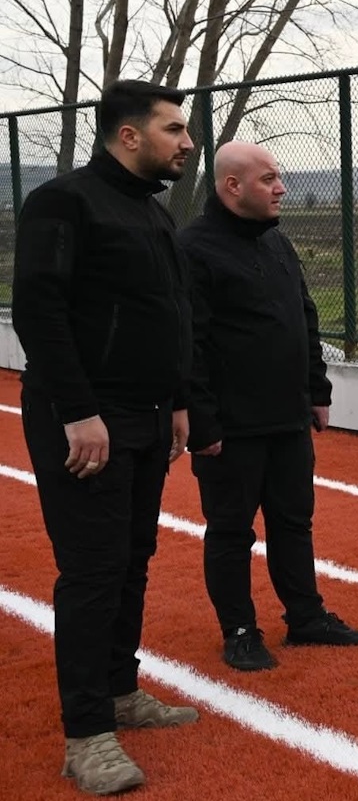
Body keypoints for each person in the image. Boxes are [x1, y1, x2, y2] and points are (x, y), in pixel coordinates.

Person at [13, 79, 201, 795]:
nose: (188, 142)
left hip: (149, 415)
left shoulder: (150, 212)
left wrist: (178, 400)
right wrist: (77, 409)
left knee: (132, 560)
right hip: (88, 418)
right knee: (92, 571)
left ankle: (121, 691)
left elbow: (169, 312)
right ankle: (87, 735)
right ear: (129, 136)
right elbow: (39, 308)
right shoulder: (64, 202)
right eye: (174, 129)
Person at [180, 141, 358, 672]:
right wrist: (203, 422)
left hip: (287, 417)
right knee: (231, 530)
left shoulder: (277, 244)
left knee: (294, 522)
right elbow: (189, 344)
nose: (281, 188)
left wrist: (317, 391)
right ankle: (240, 630)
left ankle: (305, 617)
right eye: (268, 179)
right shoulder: (194, 249)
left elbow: (304, 318)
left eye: (278, 178)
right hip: (232, 427)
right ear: (231, 187)